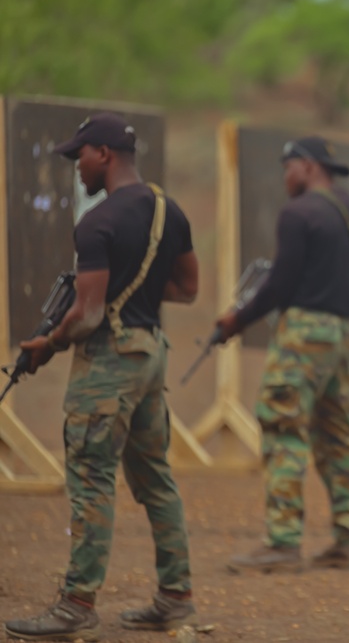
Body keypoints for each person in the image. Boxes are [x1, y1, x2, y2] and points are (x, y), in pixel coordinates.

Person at [4, 113, 200, 641]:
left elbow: (87, 316)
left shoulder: (98, 222)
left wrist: (46, 344)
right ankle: (175, 596)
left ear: (105, 154)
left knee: (91, 480)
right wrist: (134, 296)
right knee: (155, 477)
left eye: (80, 156)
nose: (77, 167)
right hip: (151, 352)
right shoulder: (168, 210)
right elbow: (187, 290)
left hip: (110, 360)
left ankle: (76, 605)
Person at [220, 136, 349, 574]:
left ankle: (283, 541)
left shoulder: (298, 212)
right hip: (340, 335)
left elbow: (279, 285)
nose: (284, 176)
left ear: (308, 167)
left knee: (282, 424)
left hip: (302, 333)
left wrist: (237, 319)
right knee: (337, 434)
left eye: (286, 166)